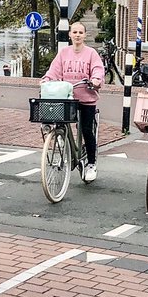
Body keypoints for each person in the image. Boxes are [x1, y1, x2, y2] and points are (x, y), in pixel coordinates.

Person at [42, 21, 105, 182]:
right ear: (69, 34)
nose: (77, 35)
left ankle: (91, 163)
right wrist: (47, 79)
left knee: (86, 129)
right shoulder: (64, 53)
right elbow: (54, 70)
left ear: (85, 35)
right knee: (59, 123)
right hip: (67, 97)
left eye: (80, 32)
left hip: (86, 98)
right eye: (74, 32)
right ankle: (65, 147)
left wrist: (96, 80)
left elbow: (98, 69)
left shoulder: (91, 53)